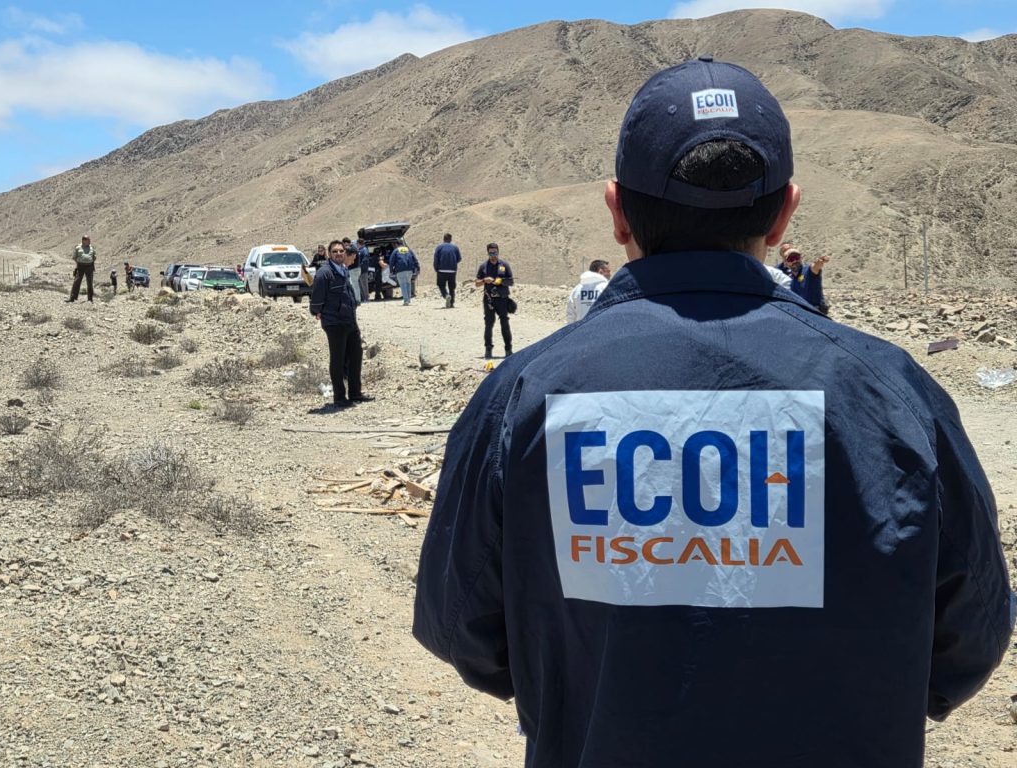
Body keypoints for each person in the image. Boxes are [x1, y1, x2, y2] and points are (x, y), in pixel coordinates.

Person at [412, 57, 1014, 768]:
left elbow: (463, 627)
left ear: (616, 211)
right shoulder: (892, 389)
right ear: (785, 212)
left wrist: (580, 682)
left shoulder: (525, 391)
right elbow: (971, 634)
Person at [308, 241, 371, 409]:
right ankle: (339, 397)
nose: (339, 253)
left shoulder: (343, 270)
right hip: (334, 323)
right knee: (337, 360)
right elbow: (316, 298)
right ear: (329, 254)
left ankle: (355, 393)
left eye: (341, 251)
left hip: (349, 321)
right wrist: (316, 312)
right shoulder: (324, 273)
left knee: (355, 356)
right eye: (335, 251)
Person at [475, 243, 514, 358]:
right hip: (489, 300)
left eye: (495, 252)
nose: (493, 254)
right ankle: (488, 349)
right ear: (488, 252)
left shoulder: (504, 265)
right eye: (491, 252)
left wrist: (499, 281)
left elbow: (511, 281)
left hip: (502, 299)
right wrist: (484, 280)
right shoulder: (483, 266)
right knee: (488, 324)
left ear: (498, 252)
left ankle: (508, 349)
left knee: (505, 323)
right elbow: (476, 283)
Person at [777, 242, 829, 313]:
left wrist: (819, 262)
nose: (795, 261)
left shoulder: (808, 270)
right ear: (786, 263)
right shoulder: (790, 279)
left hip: (816, 313)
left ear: (801, 258)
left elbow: (815, 267)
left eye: (797, 257)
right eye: (791, 259)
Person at [565, 259, 611, 323]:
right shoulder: (607, 288)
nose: (610, 275)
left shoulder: (577, 289)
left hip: (582, 328)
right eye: (608, 271)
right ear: (600, 271)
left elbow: (570, 313)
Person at [433, 233, 463, 308]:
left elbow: (436, 258)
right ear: (450, 239)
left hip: (441, 270)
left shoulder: (439, 247)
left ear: (443, 239)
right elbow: (459, 258)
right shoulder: (455, 247)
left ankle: (446, 295)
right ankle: (451, 303)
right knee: (452, 287)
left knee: (441, 285)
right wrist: (453, 263)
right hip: (452, 270)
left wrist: (436, 268)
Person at [68, 234, 96, 302]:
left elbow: (94, 256)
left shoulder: (91, 247)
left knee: (90, 282)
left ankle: (90, 299)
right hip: (81, 266)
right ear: (84, 240)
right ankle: (73, 297)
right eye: (88, 240)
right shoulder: (78, 247)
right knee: (77, 282)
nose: (89, 241)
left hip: (89, 266)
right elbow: (74, 257)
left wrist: (90, 261)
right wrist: (79, 262)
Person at [354, 231, 370, 303]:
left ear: (359, 243)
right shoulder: (360, 250)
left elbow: (365, 260)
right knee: (361, 284)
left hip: (363, 270)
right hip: (360, 270)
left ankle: (366, 298)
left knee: (364, 285)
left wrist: (360, 267)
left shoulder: (364, 250)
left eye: (357, 244)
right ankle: (363, 298)